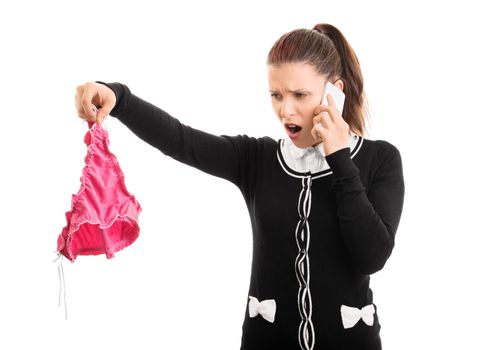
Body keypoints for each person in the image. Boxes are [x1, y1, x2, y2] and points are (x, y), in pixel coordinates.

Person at [75, 23, 405, 350]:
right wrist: (118, 97)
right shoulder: (257, 159)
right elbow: (181, 140)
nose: (285, 109)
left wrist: (340, 160)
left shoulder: (380, 160)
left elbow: (372, 256)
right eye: (276, 95)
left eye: (300, 95)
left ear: (335, 92)